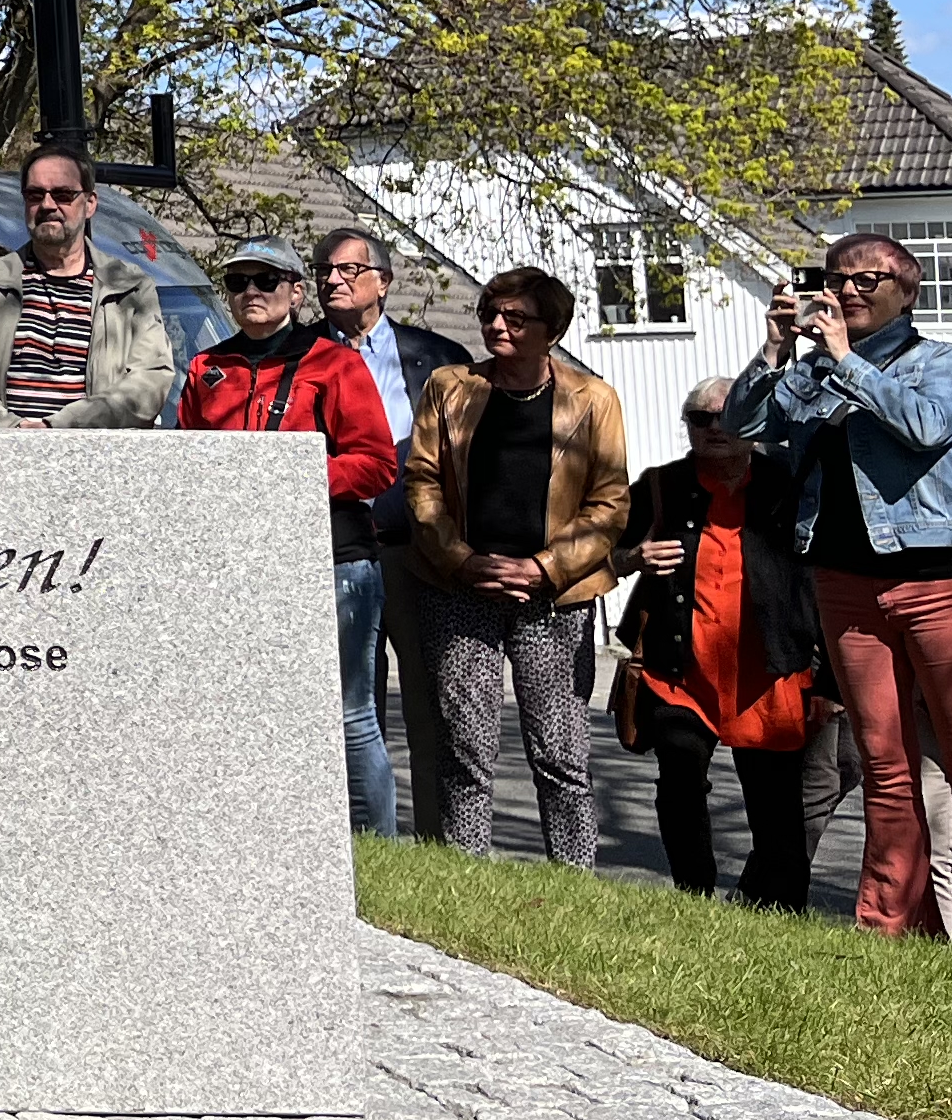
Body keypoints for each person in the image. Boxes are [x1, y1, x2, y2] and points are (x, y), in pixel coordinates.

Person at [721, 231, 952, 937]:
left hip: (942, 582)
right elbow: (742, 422)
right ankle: (888, 928)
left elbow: (927, 427)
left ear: (908, 291)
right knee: (884, 766)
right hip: (845, 584)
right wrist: (775, 348)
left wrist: (843, 359)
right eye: (835, 279)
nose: (847, 292)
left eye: (866, 280)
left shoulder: (943, 363)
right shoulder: (807, 373)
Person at [405, 266, 630, 865]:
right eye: (489, 315)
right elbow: (421, 484)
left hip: (553, 596)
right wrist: (461, 560)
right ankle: (467, 876)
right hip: (459, 588)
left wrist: (543, 568)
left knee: (560, 752)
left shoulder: (593, 399)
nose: (496, 327)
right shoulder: (449, 387)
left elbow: (610, 505)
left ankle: (575, 882)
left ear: (551, 329)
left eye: (515, 318)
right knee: (465, 746)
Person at [178, 241, 402, 832]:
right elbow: (185, 465)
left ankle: (380, 850)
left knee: (350, 714)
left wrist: (289, 476)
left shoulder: (335, 363)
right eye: (238, 281)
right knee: (250, 712)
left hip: (333, 558)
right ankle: (273, 836)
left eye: (267, 280)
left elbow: (377, 464)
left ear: (297, 293)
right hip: (239, 564)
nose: (251, 291)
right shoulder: (207, 369)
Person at [619, 379, 820, 909]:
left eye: (726, 417)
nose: (713, 429)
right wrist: (634, 558)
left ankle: (779, 912)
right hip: (681, 672)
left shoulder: (787, 485)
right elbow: (607, 554)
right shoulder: (660, 486)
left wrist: (829, 675)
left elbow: (821, 578)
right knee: (680, 782)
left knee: (777, 810)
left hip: (767, 675)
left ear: (752, 425)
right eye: (699, 418)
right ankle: (693, 897)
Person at [319, 226, 477, 844]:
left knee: (431, 705)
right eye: (325, 270)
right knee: (353, 707)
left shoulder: (436, 357)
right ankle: (359, 843)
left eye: (348, 270)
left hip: (416, 552)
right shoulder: (304, 356)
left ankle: (439, 844)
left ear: (382, 282)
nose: (333, 279)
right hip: (338, 550)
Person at [0, 147, 177, 430]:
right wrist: (8, 427)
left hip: (92, 459)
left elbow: (150, 381)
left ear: (90, 203)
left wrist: (63, 426)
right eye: (34, 194)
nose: (47, 205)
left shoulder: (128, 287)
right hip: (3, 455)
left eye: (63, 194)